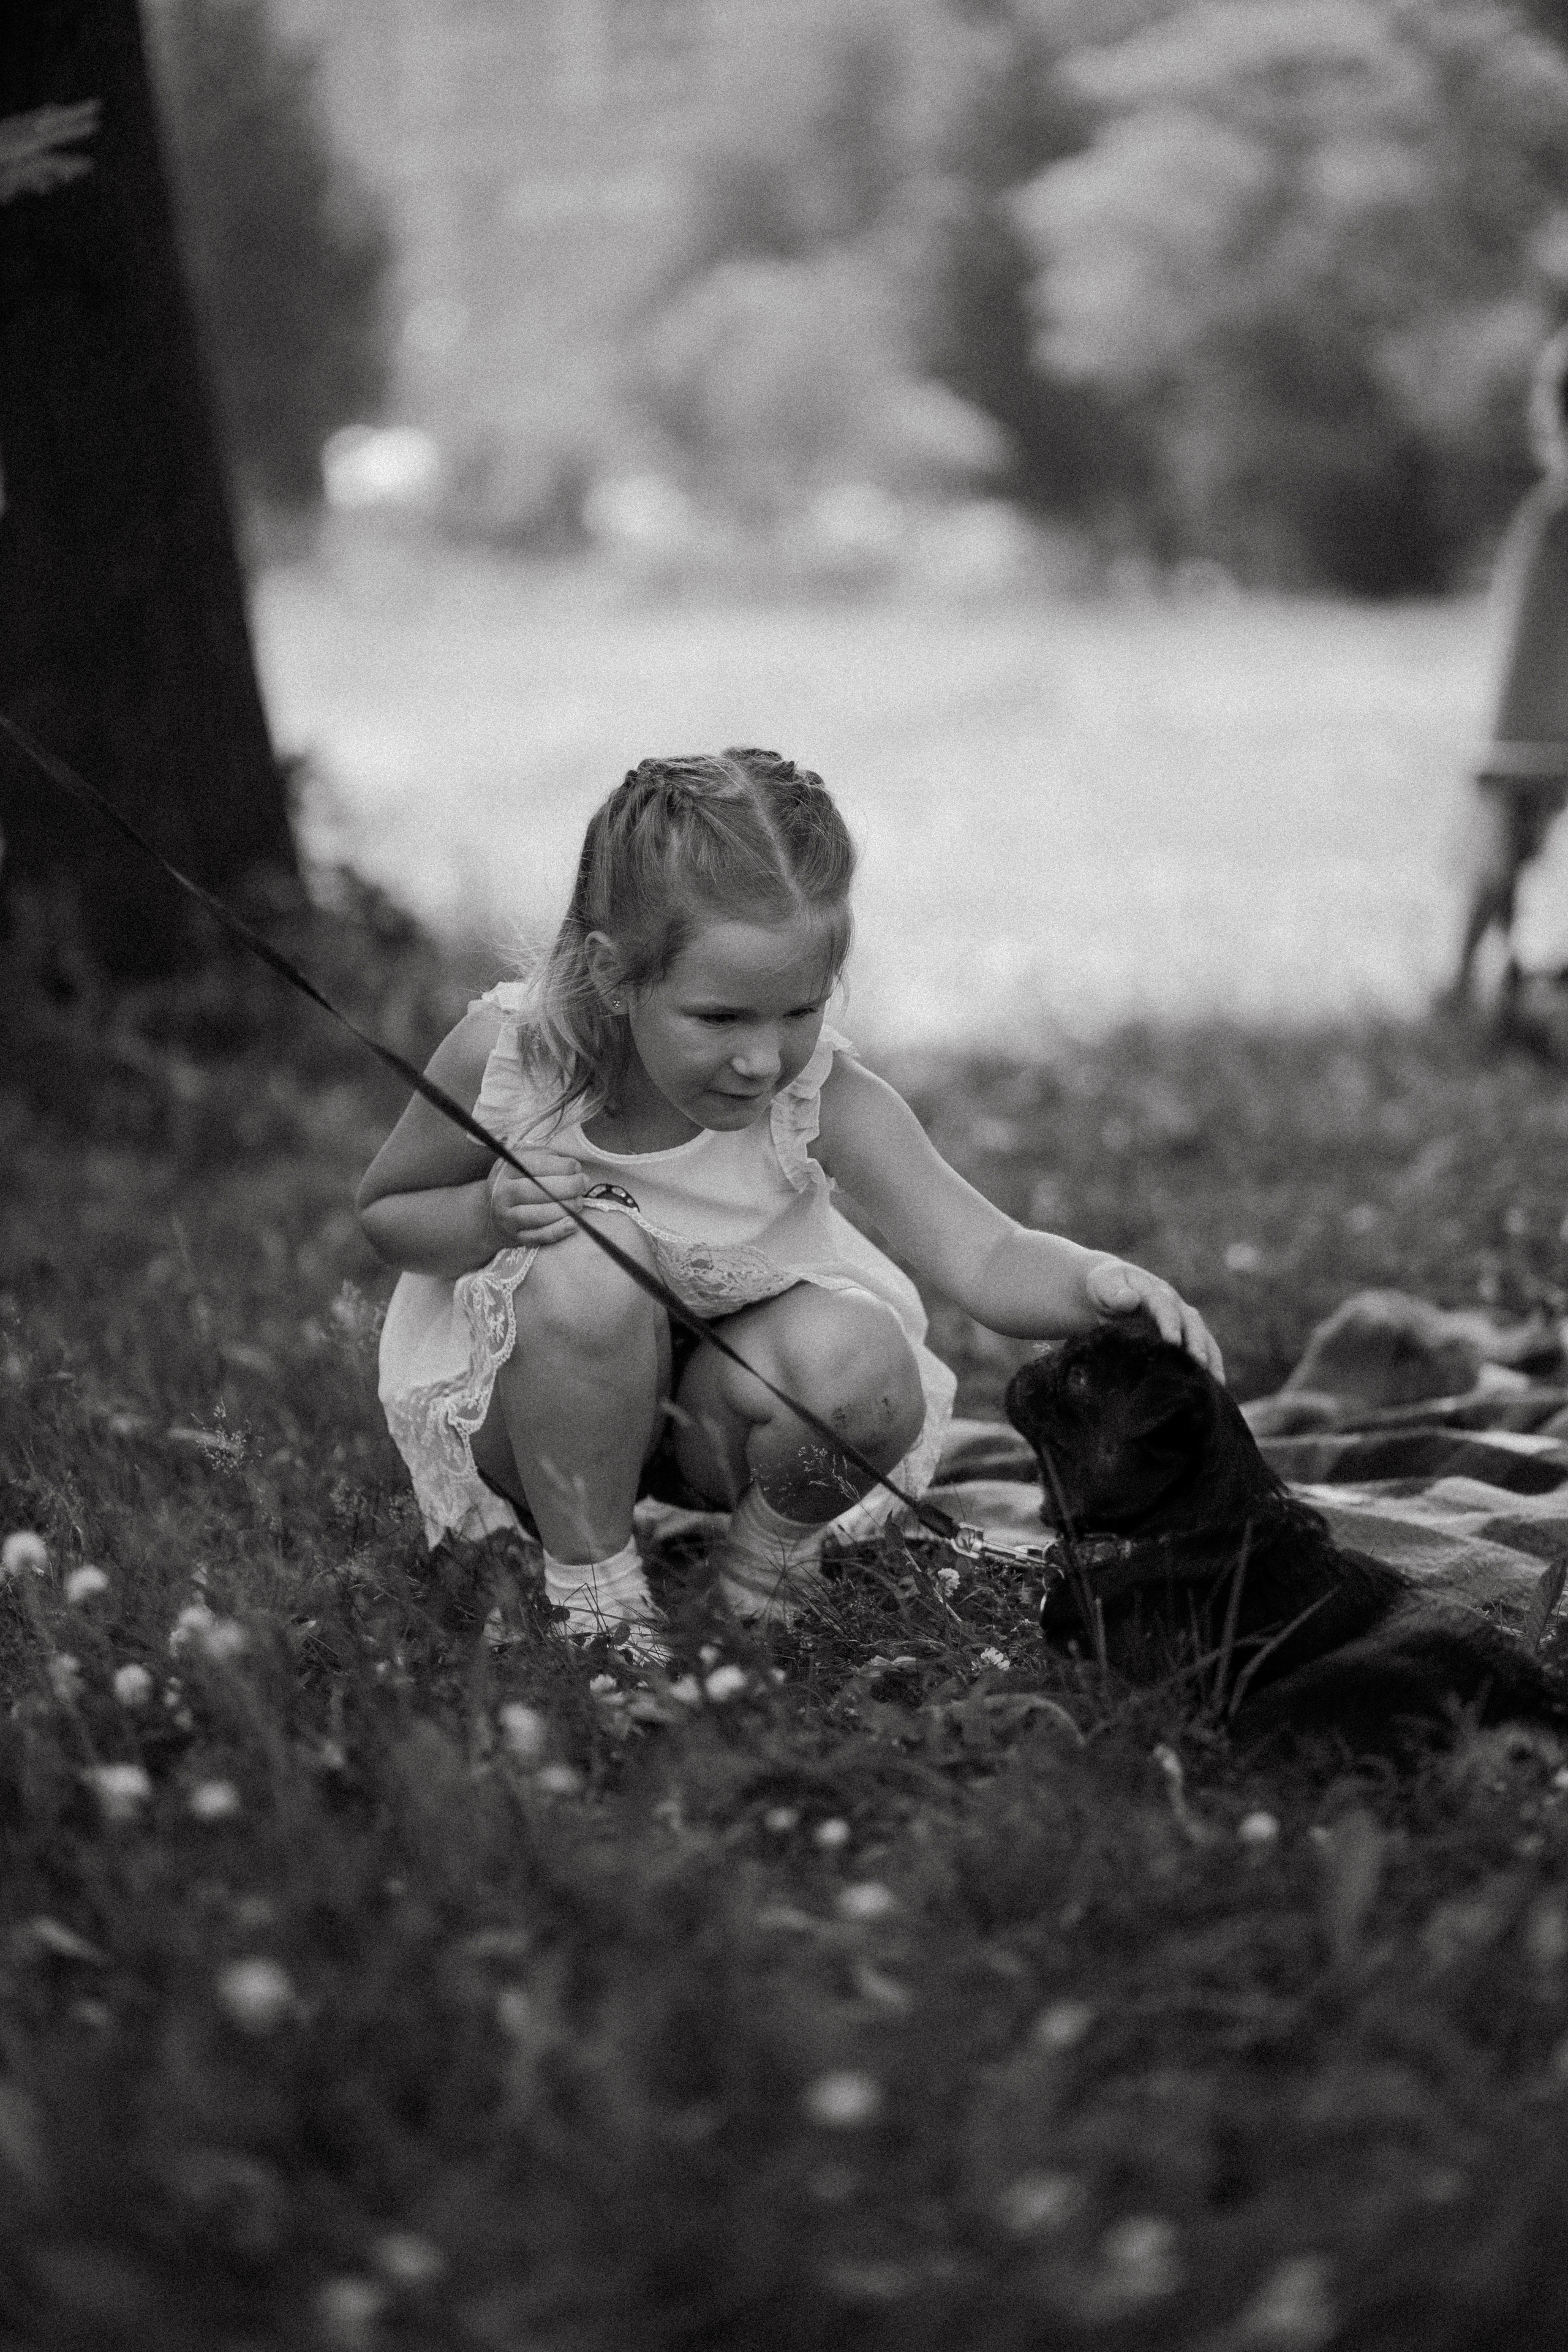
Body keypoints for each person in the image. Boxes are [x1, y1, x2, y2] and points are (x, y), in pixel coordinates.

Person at [357, 747, 1222, 1657]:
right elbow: (387, 1213)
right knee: (583, 1256)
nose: (763, 1060)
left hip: (721, 1423)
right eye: (721, 1019)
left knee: (864, 1354)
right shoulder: (510, 1060)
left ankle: (763, 1562)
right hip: (539, 1417)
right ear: (615, 977)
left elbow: (986, 1254)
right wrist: (488, 1217)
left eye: (798, 1012)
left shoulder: (821, 1097)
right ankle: (597, 1592)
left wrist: (1095, 1284)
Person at [1449, 323, 1568, 1005]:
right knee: (1504, 833)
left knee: (1503, 842)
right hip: (1533, 741)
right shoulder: (1553, 518)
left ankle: (1467, 977)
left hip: (1518, 737)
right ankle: (1478, 979)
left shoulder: (1547, 514)